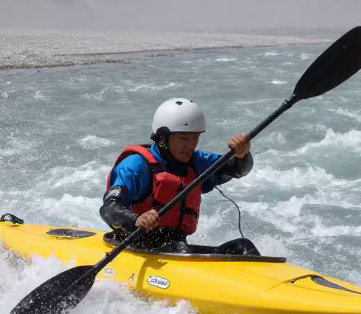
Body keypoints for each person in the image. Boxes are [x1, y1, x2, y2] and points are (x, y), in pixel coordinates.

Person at [100, 98, 260, 255]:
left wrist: (242, 155)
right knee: (178, 248)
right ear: (163, 138)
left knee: (243, 247)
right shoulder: (136, 166)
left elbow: (236, 170)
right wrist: (135, 220)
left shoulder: (197, 162)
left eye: (195, 138)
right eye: (184, 139)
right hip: (136, 246)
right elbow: (109, 208)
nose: (191, 146)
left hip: (178, 248)